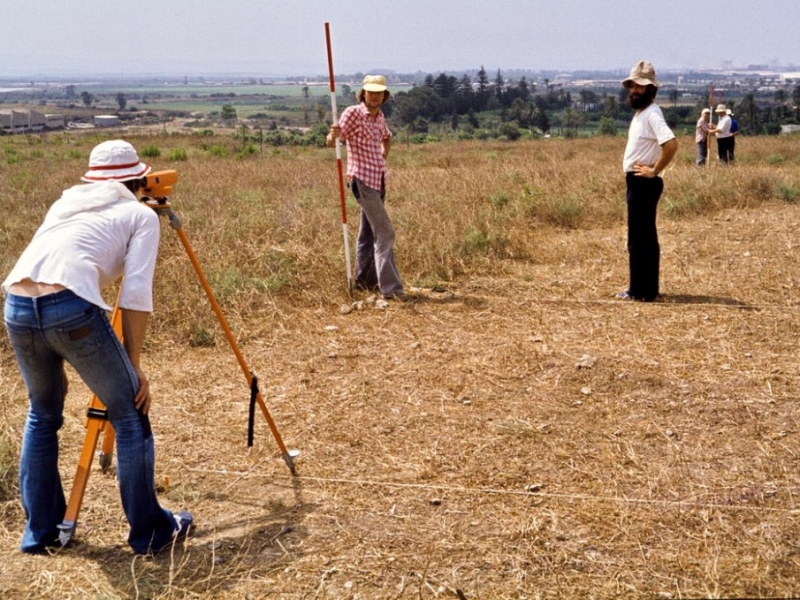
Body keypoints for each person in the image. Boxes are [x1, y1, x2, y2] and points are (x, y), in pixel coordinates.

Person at [2, 139, 192, 555]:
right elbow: (135, 293)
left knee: (42, 415)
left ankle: (41, 533)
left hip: (16, 304)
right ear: (138, 179)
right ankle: (152, 532)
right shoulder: (140, 215)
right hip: (70, 308)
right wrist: (133, 366)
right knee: (130, 412)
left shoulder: (63, 204)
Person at [327, 74, 405, 299]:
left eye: (379, 93)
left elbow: (387, 137)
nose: (374, 96)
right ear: (363, 94)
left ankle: (364, 282)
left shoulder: (380, 117)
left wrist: (382, 156)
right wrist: (332, 136)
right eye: (371, 92)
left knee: (368, 234)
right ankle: (391, 290)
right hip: (362, 181)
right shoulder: (353, 113)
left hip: (379, 180)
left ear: (384, 96)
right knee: (385, 232)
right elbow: (333, 140)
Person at [617, 60, 678, 302]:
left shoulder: (652, 114)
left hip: (644, 181)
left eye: (639, 86)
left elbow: (671, 144)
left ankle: (641, 291)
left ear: (651, 89)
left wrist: (654, 170)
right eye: (632, 86)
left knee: (640, 238)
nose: (634, 90)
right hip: (638, 181)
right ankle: (644, 289)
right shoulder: (642, 114)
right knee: (642, 236)